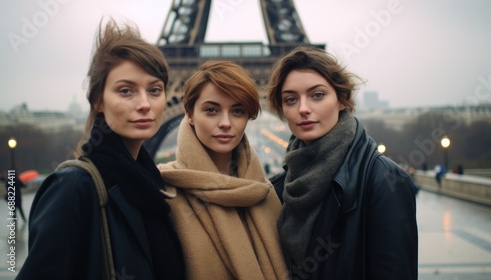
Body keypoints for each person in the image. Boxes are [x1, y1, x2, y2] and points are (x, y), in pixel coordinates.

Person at [16, 19, 185, 280]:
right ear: (98, 101)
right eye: (126, 91)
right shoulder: (74, 188)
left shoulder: (152, 188)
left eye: (154, 90)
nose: (144, 104)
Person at [266, 46, 418, 279]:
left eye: (317, 95)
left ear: (341, 101)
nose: (303, 109)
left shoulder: (386, 182)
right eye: (290, 99)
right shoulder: (279, 188)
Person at [157, 60, 288, 279]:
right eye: (211, 110)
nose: (225, 123)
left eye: (237, 111)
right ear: (189, 113)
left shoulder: (269, 193)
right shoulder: (162, 192)